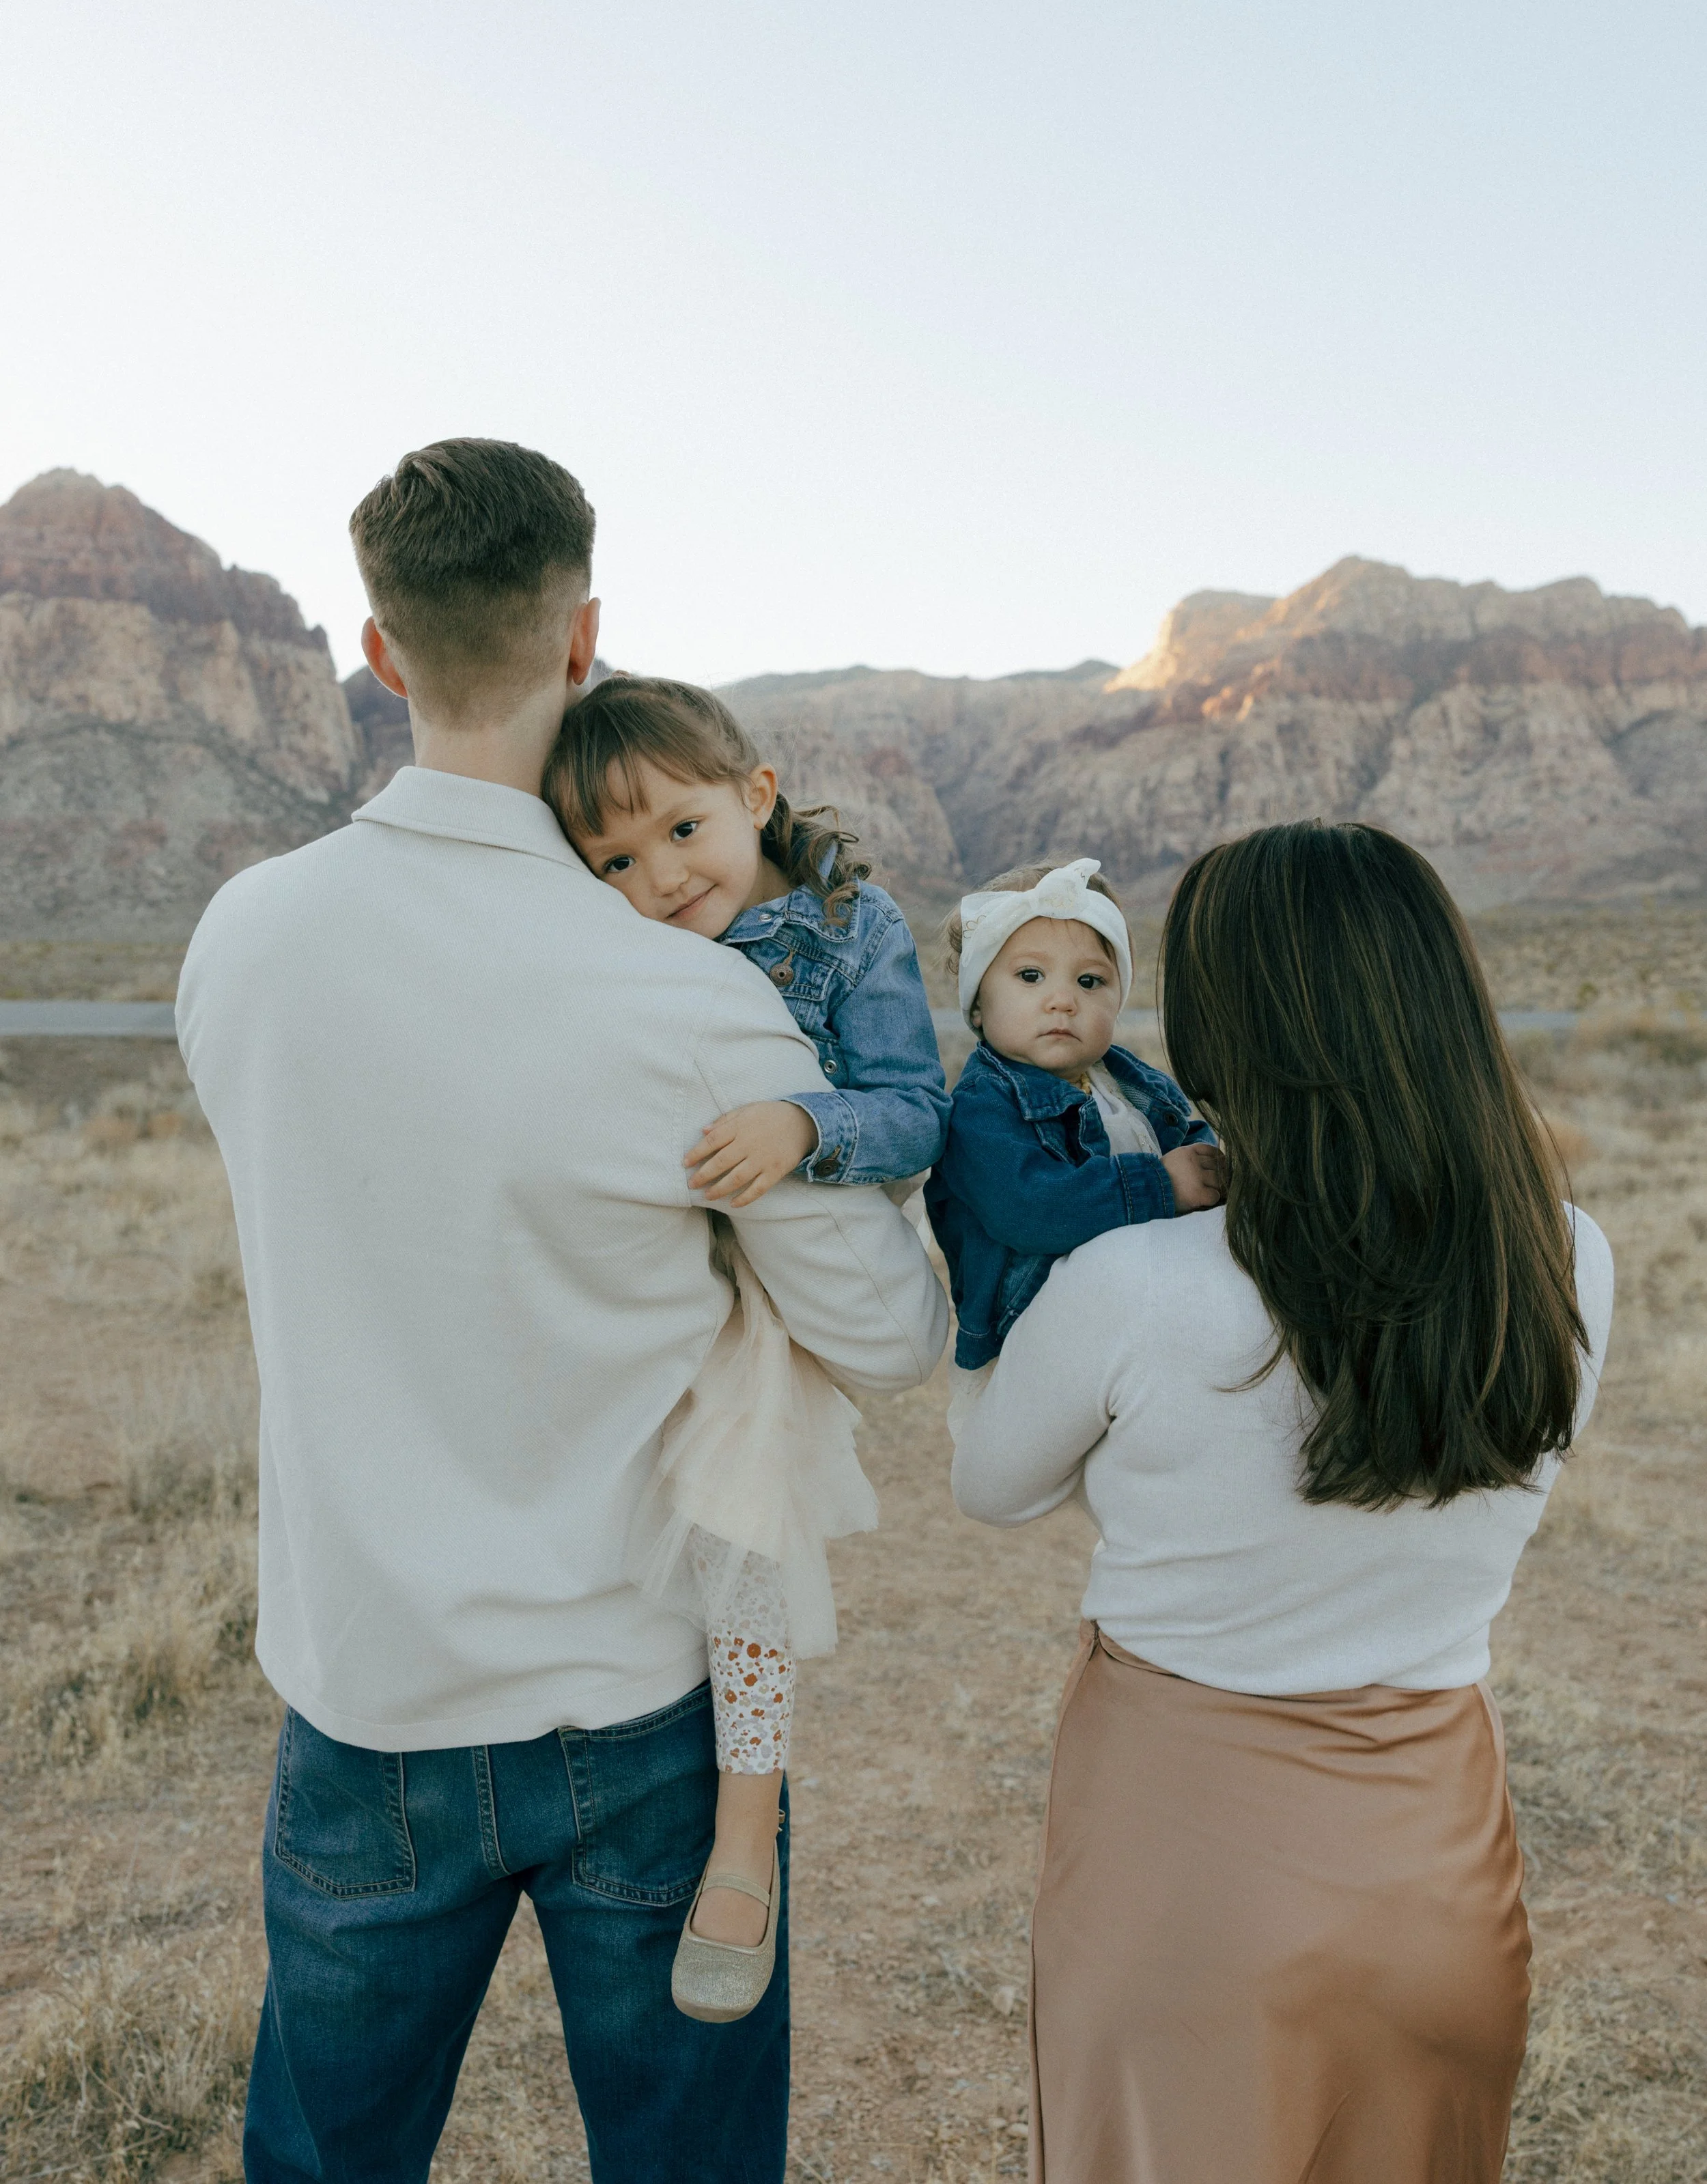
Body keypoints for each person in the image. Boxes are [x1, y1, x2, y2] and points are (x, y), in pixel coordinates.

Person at [175, 440, 948, 2184]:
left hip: (368, 1696)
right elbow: (891, 1339)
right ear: (585, 631)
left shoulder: (244, 941)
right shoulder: (687, 996)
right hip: (644, 1709)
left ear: (380, 653)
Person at [952, 821, 1612, 2184]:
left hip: (1181, 1880)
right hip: (1440, 1875)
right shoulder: (1563, 1257)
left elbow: (990, 1482)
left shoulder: (1137, 1279)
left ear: (1222, 1024)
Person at [543, 674, 948, 2020]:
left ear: (755, 796)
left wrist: (799, 1125)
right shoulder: (624, 952)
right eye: (611, 859)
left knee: (739, 1547)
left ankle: (741, 1837)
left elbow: (910, 1114)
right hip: (670, 1245)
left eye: (678, 830)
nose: (655, 879)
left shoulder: (851, 928)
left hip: (791, 1260)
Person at [925, 855, 1225, 1391]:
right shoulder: (982, 1108)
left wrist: (1213, 1171)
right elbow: (1031, 1208)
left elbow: (1190, 1142)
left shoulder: (1131, 1081)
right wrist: (1163, 1185)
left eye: (1090, 981)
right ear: (977, 1006)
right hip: (1031, 1351)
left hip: (1138, 1324)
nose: (1062, 1000)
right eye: (1031, 976)